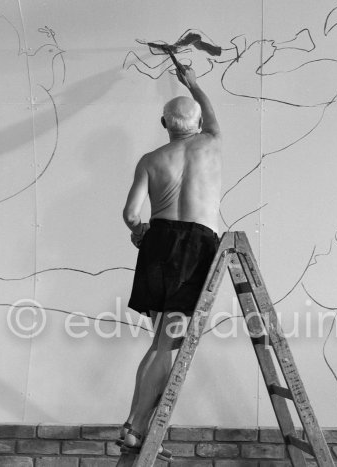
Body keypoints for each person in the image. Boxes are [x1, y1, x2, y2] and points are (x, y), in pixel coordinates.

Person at [119, 65, 222, 450]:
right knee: (168, 344)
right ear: (195, 123)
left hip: (158, 242)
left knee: (161, 342)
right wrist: (193, 83)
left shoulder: (150, 158)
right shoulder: (209, 141)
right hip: (195, 245)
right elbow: (211, 117)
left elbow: (131, 214)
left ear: (164, 122)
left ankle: (136, 426)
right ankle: (134, 427)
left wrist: (138, 232)